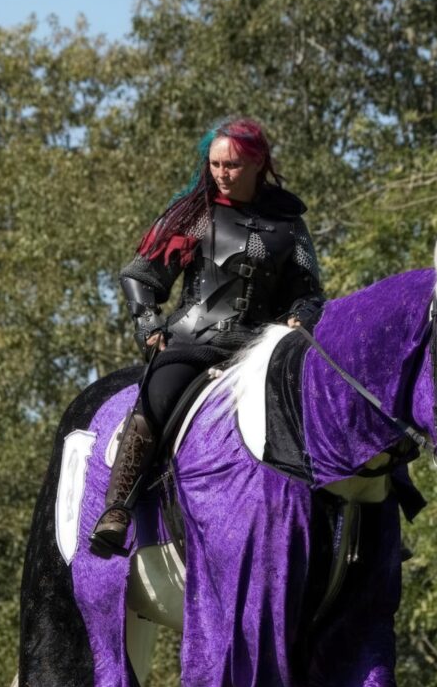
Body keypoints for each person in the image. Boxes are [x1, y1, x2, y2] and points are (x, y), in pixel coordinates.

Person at [90, 117, 325, 554]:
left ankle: (354, 520)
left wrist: (301, 316)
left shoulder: (290, 223)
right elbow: (140, 275)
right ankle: (117, 508)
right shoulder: (194, 213)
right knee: (156, 398)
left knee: (328, 401)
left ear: (258, 163)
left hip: (263, 351)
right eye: (215, 164)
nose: (221, 173)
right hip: (195, 342)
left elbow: (310, 292)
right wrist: (147, 325)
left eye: (232, 165)